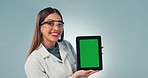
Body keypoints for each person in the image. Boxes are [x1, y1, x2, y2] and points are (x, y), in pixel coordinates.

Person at [24, 7, 98, 78]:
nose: (56, 28)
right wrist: (74, 76)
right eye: (50, 23)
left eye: (59, 24)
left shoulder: (67, 45)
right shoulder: (33, 61)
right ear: (40, 27)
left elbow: (79, 73)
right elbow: (76, 75)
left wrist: (91, 56)